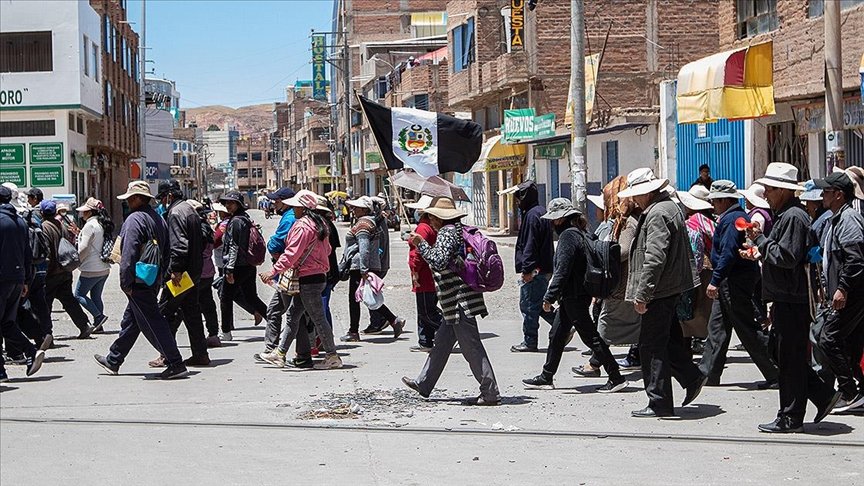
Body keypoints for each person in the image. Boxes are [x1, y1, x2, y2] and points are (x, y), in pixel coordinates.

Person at [746, 162, 839, 433]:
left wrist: (761, 241)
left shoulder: (793, 217)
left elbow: (786, 257)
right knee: (787, 355)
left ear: (783, 190)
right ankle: (820, 396)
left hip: (792, 297)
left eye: (770, 190)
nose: (766, 195)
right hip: (785, 296)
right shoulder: (788, 215)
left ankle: (790, 416)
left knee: (789, 360)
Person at [618, 168, 707, 418]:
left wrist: (643, 293)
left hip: (659, 290)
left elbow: (655, 257)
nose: (634, 200)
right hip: (669, 287)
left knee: (651, 345)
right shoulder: (668, 208)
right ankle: (692, 377)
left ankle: (659, 402)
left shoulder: (658, 213)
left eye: (637, 195)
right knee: (666, 340)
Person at [521, 198, 628, 393]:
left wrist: (549, 297)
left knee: (591, 338)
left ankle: (616, 376)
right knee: (556, 334)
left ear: (560, 219)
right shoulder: (580, 233)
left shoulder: (568, 237)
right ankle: (547, 376)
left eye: (554, 220)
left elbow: (562, 270)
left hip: (574, 296)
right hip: (576, 295)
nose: (552, 224)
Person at [403, 197, 500, 406]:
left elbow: (439, 261)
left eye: (431, 216)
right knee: (442, 343)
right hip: (455, 300)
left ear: (438, 217)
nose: (429, 220)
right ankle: (424, 383)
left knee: (471, 346)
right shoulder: (457, 230)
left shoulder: (447, 232)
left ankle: (490, 391)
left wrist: (421, 245)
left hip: (458, 300)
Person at [93, 181, 189, 380]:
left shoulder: (134, 219)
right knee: (132, 321)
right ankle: (114, 359)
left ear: (137, 198)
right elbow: (166, 250)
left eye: (129, 198)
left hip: (138, 280)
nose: (127, 202)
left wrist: (125, 282)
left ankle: (175, 362)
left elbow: (128, 253)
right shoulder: (157, 218)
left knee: (153, 321)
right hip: (152, 278)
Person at [698, 181, 778, 387]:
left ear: (724, 200)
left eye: (715, 201)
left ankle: (776, 371)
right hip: (730, 280)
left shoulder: (734, 218)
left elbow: (728, 252)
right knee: (717, 328)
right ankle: (707, 373)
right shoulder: (733, 217)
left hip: (733, 280)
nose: (713, 205)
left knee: (747, 329)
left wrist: (715, 280)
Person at [258, 190, 342, 370]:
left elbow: (291, 254)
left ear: (302, 208)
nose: (292, 208)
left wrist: (273, 271)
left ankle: (332, 356)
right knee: (292, 316)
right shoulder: (321, 224)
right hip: (317, 276)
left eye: (295, 205)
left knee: (318, 318)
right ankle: (279, 354)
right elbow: (327, 251)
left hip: (307, 279)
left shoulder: (302, 226)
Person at [812, 172, 864, 413]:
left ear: (838, 195)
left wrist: (842, 288)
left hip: (852, 294)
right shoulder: (836, 218)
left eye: (826, 191)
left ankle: (849, 391)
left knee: (828, 337)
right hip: (844, 293)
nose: (822, 195)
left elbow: (855, 260)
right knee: (848, 342)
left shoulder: (849, 219)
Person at [150, 180, 210, 368]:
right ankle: (200, 354)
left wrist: (175, 270)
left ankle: (167, 355)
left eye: (163, 199)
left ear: (169, 195)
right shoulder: (188, 209)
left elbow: (179, 245)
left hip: (180, 275)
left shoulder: (176, 213)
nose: (162, 203)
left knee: (164, 312)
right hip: (193, 272)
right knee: (192, 313)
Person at [339, 196, 404, 342]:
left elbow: (364, 248)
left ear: (364, 209)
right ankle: (394, 321)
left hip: (360, 266)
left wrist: (363, 269)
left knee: (355, 299)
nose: (353, 210)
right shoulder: (370, 221)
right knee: (366, 297)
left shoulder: (363, 223)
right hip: (366, 265)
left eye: (356, 208)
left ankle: (353, 331)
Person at [0, 185, 45, 381]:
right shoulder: (19, 221)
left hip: (2, 279)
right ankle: (30, 351)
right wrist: (26, 279)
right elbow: (27, 253)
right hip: (17, 280)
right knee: (7, 323)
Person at [218, 191, 268, 341]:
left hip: (238, 266)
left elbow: (233, 246)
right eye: (226, 203)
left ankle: (226, 331)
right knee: (251, 296)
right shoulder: (245, 219)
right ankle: (273, 321)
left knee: (225, 296)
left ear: (238, 204)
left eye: (231, 203)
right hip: (248, 265)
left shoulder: (235, 222)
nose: (227, 205)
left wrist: (229, 269)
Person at [41, 200, 95, 338]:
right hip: (65, 270)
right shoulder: (61, 225)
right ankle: (84, 325)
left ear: (42, 213)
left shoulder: (44, 227)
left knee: (45, 305)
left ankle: (47, 335)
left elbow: (47, 252)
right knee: (69, 301)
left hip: (52, 273)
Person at [512, 181, 554, 353]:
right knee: (539, 303)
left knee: (528, 305)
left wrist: (527, 270)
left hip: (536, 270)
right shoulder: (541, 212)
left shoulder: (531, 216)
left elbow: (530, 244)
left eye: (518, 198)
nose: (516, 202)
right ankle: (563, 324)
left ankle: (530, 341)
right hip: (544, 267)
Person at [675, 186, 716, 353]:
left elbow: (694, 251)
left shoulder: (693, 221)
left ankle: (690, 344)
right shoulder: (711, 220)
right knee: (706, 307)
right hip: (711, 267)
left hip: (699, 269)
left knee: (694, 307)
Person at [260, 188, 296, 358]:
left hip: (288, 271)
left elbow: (277, 242)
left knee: (289, 312)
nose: (274, 203)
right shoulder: (290, 216)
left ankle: (276, 350)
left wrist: (272, 246)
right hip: (288, 270)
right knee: (279, 310)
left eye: (277, 200)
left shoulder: (289, 218)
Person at [406, 195, 443, 352]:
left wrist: (415, 271)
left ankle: (449, 332)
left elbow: (418, 253)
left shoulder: (423, 227)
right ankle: (425, 340)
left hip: (424, 275)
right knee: (424, 310)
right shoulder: (431, 226)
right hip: (430, 272)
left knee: (427, 311)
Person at [74, 197, 112, 332]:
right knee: (96, 296)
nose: (82, 214)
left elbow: (83, 248)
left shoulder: (90, 225)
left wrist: (77, 261)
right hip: (104, 268)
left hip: (91, 268)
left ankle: (98, 316)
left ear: (89, 212)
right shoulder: (102, 223)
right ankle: (99, 324)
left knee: (78, 294)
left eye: (84, 211)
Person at [188, 199, 220, 348]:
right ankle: (213, 334)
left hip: (196, 272)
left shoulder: (195, 228)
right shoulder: (207, 227)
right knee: (207, 303)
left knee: (187, 306)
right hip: (208, 271)